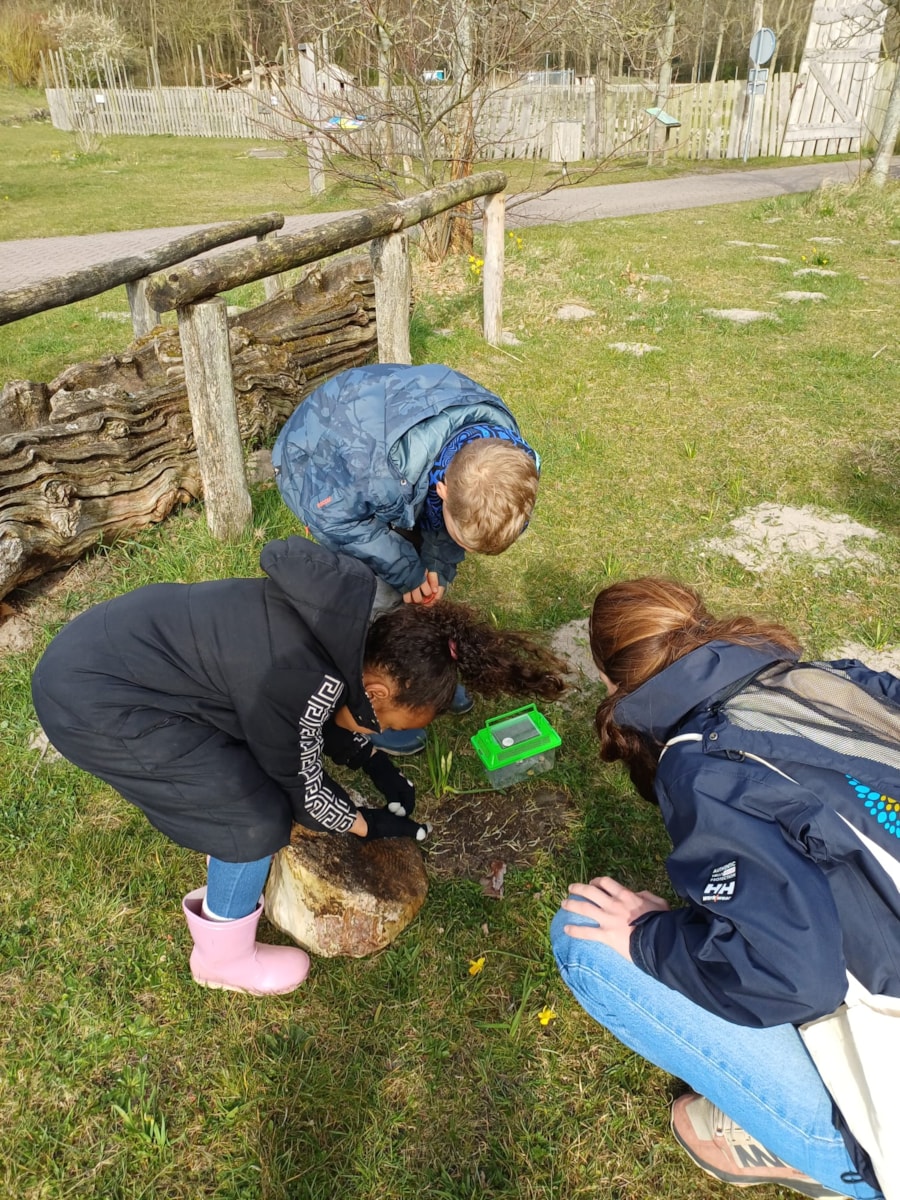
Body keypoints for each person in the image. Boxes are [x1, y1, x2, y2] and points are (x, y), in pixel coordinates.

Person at [32, 537, 566, 998]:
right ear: (376, 692)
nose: (378, 733)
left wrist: (373, 763)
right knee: (252, 817)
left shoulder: (340, 630)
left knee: (251, 773)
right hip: (96, 704)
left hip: (109, 651)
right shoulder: (301, 677)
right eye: (385, 725)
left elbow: (306, 719)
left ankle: (230, 889)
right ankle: (222, 959)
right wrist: (370, 824)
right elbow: (305, 791)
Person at [552, 577, 899, 1200]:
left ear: (610, 682)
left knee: (582, 936)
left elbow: (795, 979)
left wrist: (648, 938)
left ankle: (831, 1152)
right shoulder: (830, 680)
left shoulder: (702, 765)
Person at [271, 362, 540, 754]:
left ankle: (423, 678)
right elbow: (339, 520)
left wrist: (437, 570)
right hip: (318, 469)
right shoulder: (379, 471)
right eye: (460, 538)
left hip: (389, 464)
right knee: (373, 593)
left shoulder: (506, 461)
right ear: (442, 490)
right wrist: (407, 571)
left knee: (416, 579)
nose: (464, 549)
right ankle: (370, 703)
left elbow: (448, 529)